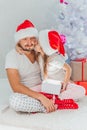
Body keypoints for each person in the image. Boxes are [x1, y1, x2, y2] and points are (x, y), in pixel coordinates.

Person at [5, 20, 57, 113]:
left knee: (79, 90)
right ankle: (47, 105)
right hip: (28, 93)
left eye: (32, 38)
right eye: (25, 39)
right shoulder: (12, 56)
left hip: (45, 88)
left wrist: (41, 52)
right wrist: (41, 97)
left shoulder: (39, 51)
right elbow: (15, 86)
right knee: (15, 101)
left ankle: (51, 102)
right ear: (18, 41)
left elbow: (53, 67)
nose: (29, 42)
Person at [34, 29, 86, 100]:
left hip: (60, 84)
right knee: (30, 90)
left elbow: (68, 69)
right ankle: (52, 97)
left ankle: (58, 98)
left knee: (81, 90)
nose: (34, 43)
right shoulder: (40, 56)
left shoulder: (54, 59)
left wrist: (65, 84)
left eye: (37, 43)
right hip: (49, 86)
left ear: (43, 47)